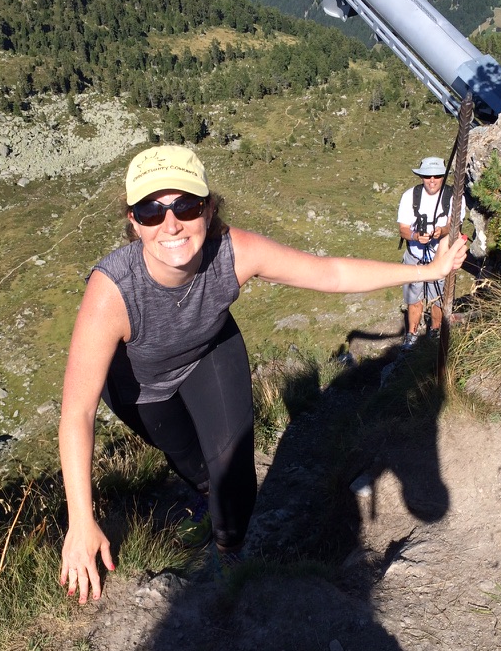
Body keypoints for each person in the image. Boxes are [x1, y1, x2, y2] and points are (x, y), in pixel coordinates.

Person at [59, 145, 468, 603]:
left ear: (208, 209)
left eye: (186, 206)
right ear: (134, 222)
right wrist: (81, 521)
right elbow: (77, 413)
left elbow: (330, 273)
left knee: (234, 475)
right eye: (151, 211)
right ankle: (206, 498)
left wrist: (431, 269)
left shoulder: (233, 252)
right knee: (193, 465)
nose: (170, 224)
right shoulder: (114, 289)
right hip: (141, 386)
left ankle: (229, 555)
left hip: (208, 351)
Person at [396, 156, 466, 349]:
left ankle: (434, 331)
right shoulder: (410, 196)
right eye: (427, 176)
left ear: (443, 176)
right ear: (421, 177)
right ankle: (412, 335)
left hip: (441, 257)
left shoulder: (454, 198)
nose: (432, 180)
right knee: (414, 299)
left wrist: (441, 231)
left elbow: (454, 225)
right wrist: (416, 236)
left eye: (437, 176)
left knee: (438, 300)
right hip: (415, 256)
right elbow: (403, 229)